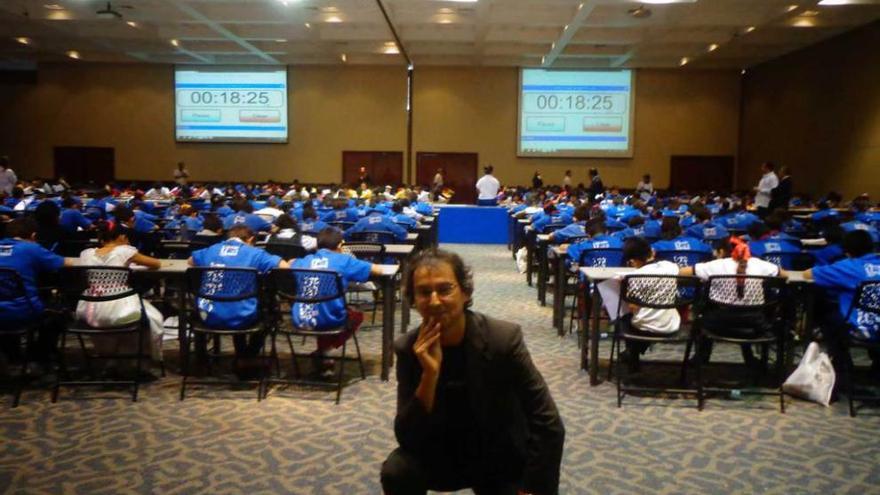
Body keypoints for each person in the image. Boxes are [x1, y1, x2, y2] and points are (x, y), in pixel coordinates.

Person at [381, 248, 564, 495]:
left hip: (498, 455)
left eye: (445, 289)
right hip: (441, 454)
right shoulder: (408, 348)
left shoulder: (503, 339)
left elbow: (548, 423)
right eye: (424, 292)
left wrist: (532, 490)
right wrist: (429, 375)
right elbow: (408, 437)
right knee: (397, 471)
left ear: (465, 292)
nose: (434, 301)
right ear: (413, 300)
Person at [188, 225, 289, 368]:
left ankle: (201, 362)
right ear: (251, 240)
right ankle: (247, 357)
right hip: (242, 316)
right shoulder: (255, 254)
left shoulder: (212, 249)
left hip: (207, 316)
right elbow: (284, 267)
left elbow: (190, 261)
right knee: (270, 314)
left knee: (231, 303)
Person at [290, 228, 385, 375]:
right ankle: (324, 351)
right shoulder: (344, 261)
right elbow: (378, 270)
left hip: (299, 319)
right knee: (356, 315)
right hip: (329, 320)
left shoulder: (301, 261)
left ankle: (324, 357)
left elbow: (288, 263)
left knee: (322, 307)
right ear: (340, 245)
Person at [680, 236, 786, 365]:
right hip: (755, 325)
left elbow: (682, 272)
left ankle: (701, 357)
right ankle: (751, 359)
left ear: (721, 251)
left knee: (703, 312)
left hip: (717, 325)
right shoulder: (762, 265)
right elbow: (784, 275)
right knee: (743, 310)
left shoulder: (714, 265)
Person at [76, 222, 165, 362]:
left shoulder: (86, 254)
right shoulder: (125, 251)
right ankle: (142, 357)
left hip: (90, 311)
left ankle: (110, 356)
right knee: (155, 318)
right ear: (122, 236)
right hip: (119, 308)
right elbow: (156, 263)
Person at [804, 230, 880, 381]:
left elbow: (808, 274)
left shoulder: (849, 267)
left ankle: (843, 371)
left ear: (847, 251)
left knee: (827, 319)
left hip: (861, 328)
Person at [0, 217, 73, 364]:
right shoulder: (31, 248)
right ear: (33, 236)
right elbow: (66, 263)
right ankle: (39, 357)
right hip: (24, 312)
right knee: (61, 313)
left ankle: (13, 357)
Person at [616, 237, 683, 371]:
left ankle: (633, 360)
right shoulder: (670, 266)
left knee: (622, 315)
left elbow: (633, 307)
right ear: (651, 252)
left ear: (633, 260)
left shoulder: (635, 277)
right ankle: (632, 353)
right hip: (671, 324)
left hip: (645, 327)